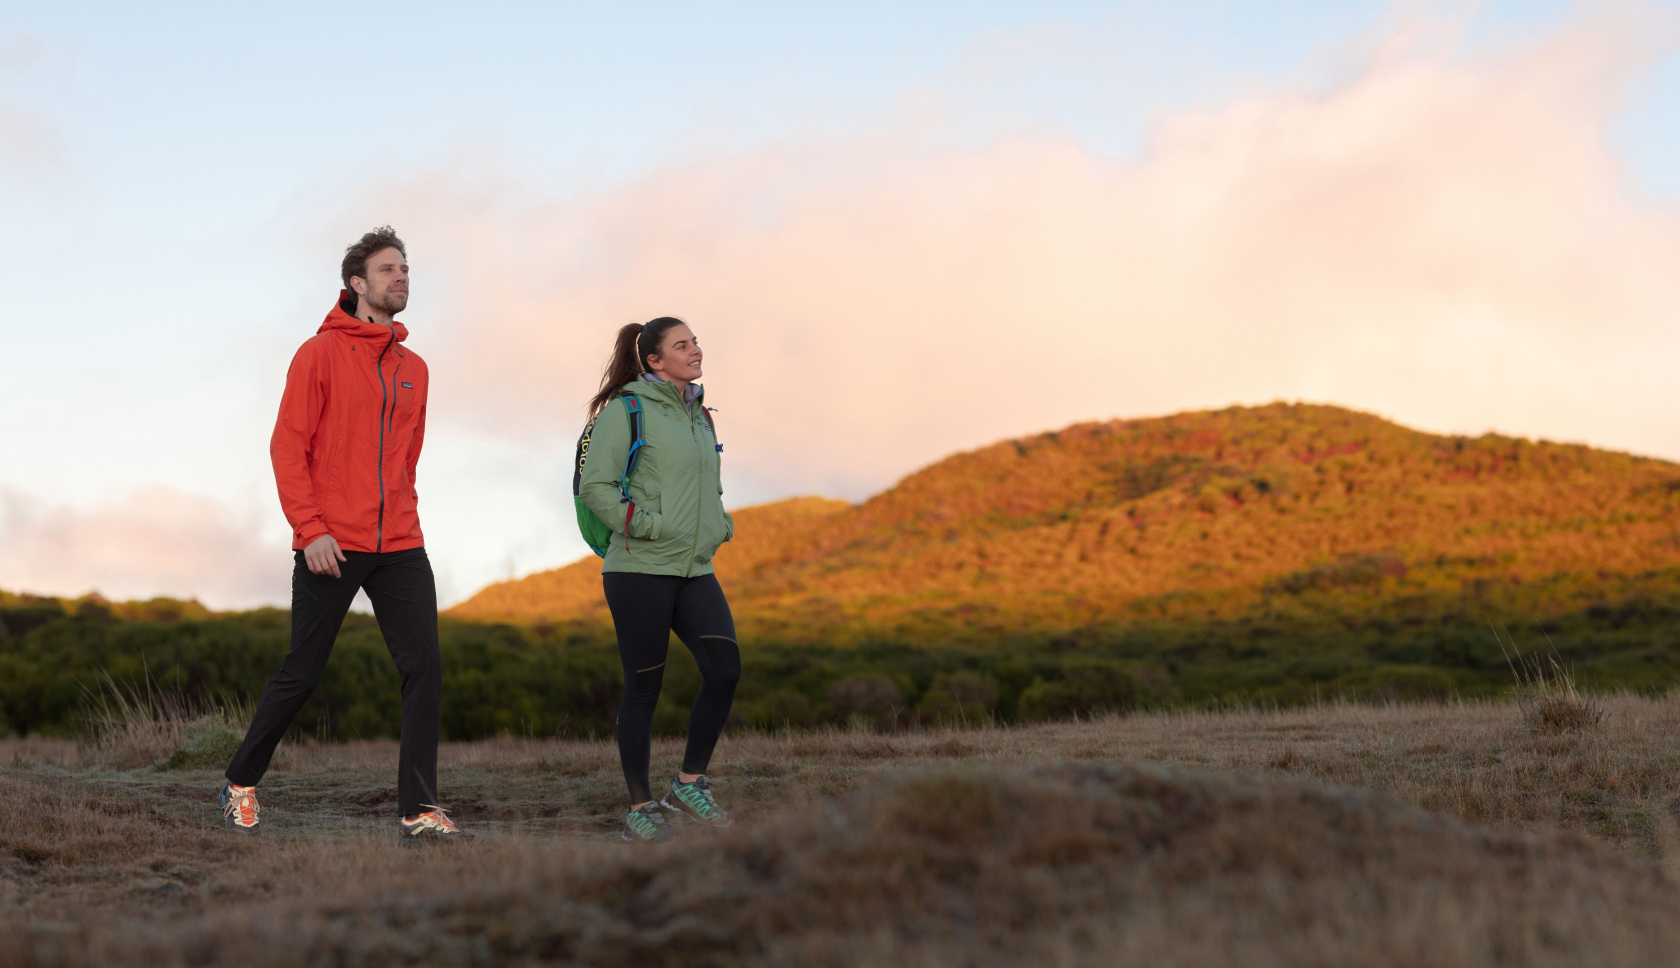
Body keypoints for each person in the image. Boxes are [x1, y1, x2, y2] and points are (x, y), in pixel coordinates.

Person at [218, 227, 472, 844]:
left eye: (406, 269)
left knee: (425, 668)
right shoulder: (319, 353)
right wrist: (311, 531)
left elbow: (407, 457)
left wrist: (404, 517)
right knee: (303, 672)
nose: (401, 278)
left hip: (401, 543)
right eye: (388, 270)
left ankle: (418, 806)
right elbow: (288, 446)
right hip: (332, 541)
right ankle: (240, 782)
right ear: (357, 284)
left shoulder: (416, 369)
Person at [579, 317, 740, 845]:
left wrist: (719, 524)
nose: (695, 349)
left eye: (695, 340)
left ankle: (688, 784)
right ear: (654, 360)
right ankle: (639, 805)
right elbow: (595, 485)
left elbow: (706, 486)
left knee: (725, 669)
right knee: (644, 688)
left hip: (694, 568)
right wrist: (643, 526)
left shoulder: (699, 414)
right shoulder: (626, 410)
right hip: (638, 568)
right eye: (682, 344)